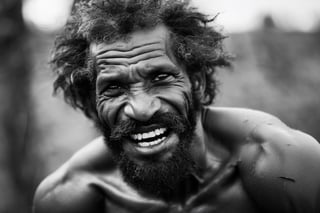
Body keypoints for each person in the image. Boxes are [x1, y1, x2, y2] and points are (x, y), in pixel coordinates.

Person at [33, 0, 320, 212]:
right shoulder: (69, 196)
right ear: (93, 101)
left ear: (196, 80)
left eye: (159, 78)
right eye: (114, 88)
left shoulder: (280, 162)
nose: (141, 109)